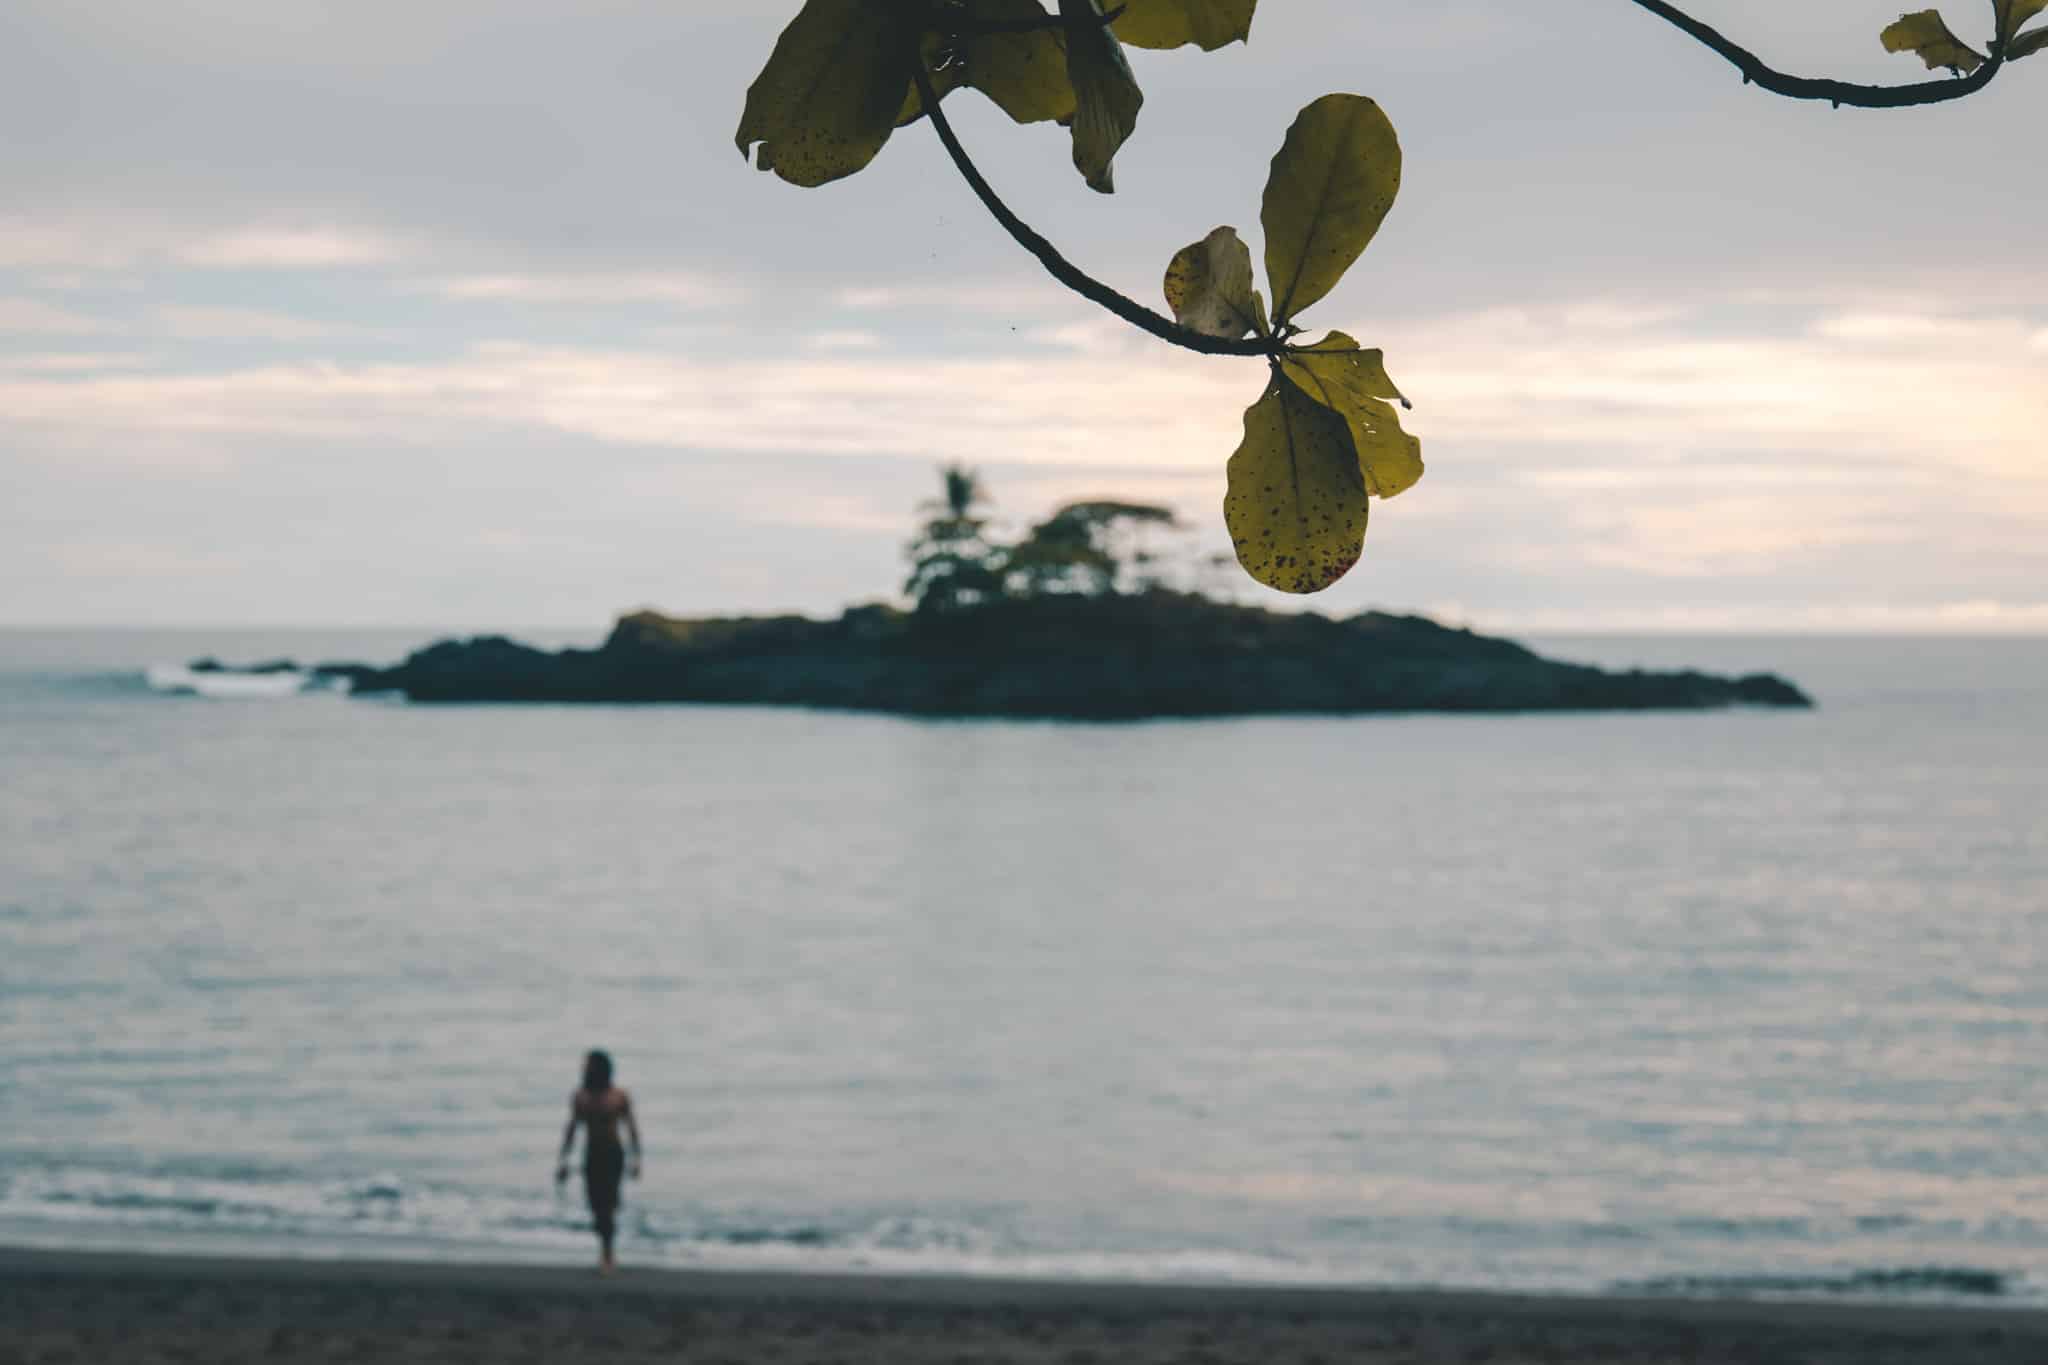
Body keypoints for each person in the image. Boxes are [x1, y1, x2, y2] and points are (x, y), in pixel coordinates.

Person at [554, 1049, 641, 1273]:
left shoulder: (618, 1096)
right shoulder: (581, 1097)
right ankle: (606, 1251)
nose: (583, 1068)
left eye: (587, 1065)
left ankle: (607, 1255)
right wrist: (563, 1160)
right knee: (595, 1205)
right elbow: (571, 1129)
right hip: (592, 1154)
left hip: (613, 1153)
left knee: (609, 1206)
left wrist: (636, 1159)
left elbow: (631, 1128)